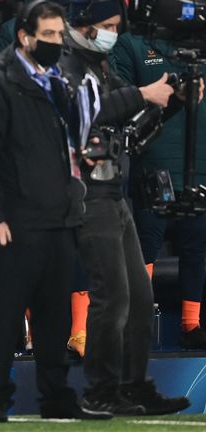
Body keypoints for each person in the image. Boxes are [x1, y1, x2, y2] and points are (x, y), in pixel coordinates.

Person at [0, 0, 108, 422]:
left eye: (61, 36)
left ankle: (57, 399)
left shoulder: (58, 81)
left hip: (58, 218)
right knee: (5, 315)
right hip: (14, 221)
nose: (57, 43)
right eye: (48, 36)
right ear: (25, 37)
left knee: (55, 317)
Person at [58, 0, 191, 415]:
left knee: (138, 294)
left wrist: (175, 100)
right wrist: (142, 92)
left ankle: (134, 386)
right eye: (106, 25)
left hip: (114, 191)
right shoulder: (64, 67)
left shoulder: (101, 67)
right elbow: (91, 110)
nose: (111, 33)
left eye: (116, 26)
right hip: (85, 194)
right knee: (111, 296)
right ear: (81, 23)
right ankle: (100, 390)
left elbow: (130, 121)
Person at [112, 18, 206, 351]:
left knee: (198, 246)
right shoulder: (132, 43)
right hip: (154, 166)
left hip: (200, 164)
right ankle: (136, 325)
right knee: (145, 247)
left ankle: (191, 325)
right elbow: (118, 96)